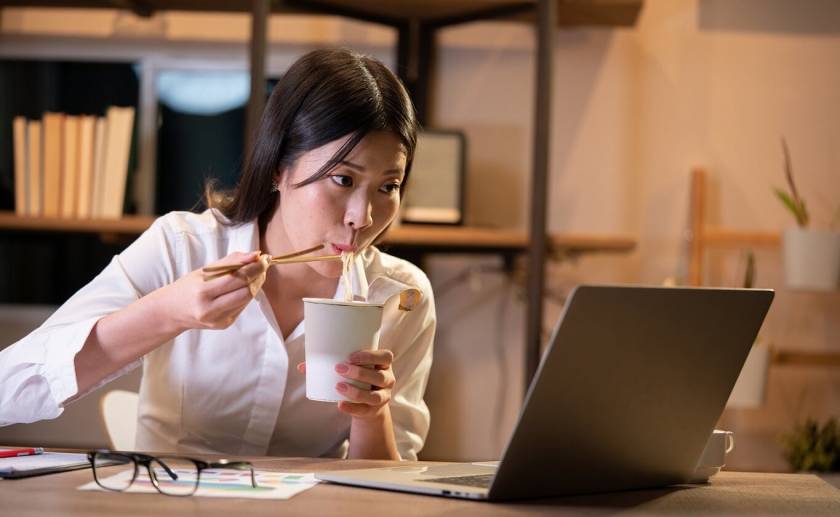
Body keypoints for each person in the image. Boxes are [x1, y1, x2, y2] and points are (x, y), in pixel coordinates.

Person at [0, 48, 436, 461]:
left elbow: (392, 484)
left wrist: (371, 412)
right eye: (342, 179)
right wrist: (169, 311)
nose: (363, 217)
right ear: (279, 169)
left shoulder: (402, 296)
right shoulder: (182, 247)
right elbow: (10, 390)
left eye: (388, 187)